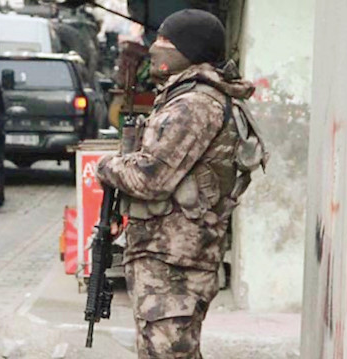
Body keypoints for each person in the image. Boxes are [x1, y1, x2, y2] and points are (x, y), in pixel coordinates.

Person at [96, 9, 265, 359]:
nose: (154, 48)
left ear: (187, 50)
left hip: (176, 259)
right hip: (167, 254)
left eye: (163, 41)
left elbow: (151, 179)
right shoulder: (183, 96)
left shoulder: (194, 104)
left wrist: (106, 166)